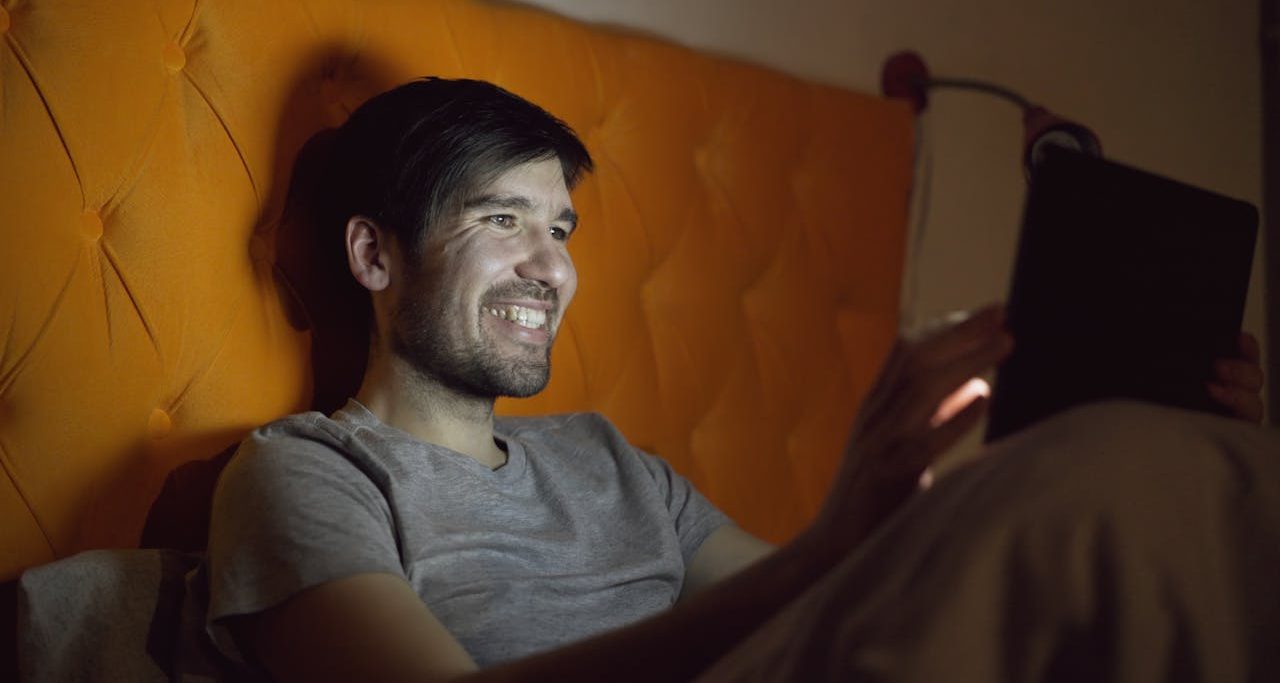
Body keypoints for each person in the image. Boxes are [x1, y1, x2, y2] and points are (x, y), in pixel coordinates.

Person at [203, 77, 1268, 683]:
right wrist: (841, 535)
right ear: (373, 255)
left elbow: (846, 601)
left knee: (1172, 474)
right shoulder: (302, 471)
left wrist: (901, 513)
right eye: (500, 219)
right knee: (1104, 485)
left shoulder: (613, 462)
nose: (552, 266)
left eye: (561, 228)